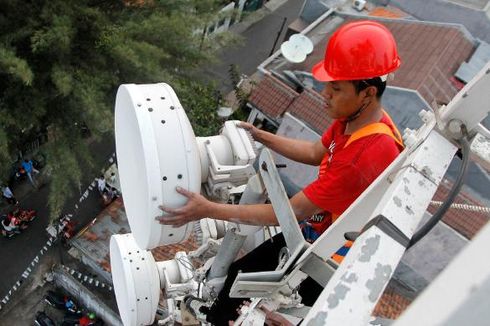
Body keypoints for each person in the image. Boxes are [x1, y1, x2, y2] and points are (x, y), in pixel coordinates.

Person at [156, 20, 404, 325]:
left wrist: (208, 210)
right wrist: (261, 136)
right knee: (237, 280)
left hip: (332, 258)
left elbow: (289, 213)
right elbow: (316, 152)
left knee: (244, 301)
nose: (325, 94)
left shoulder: (364, 156)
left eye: (335, 88)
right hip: (319, 229)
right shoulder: (358, 119)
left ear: (366, 93)